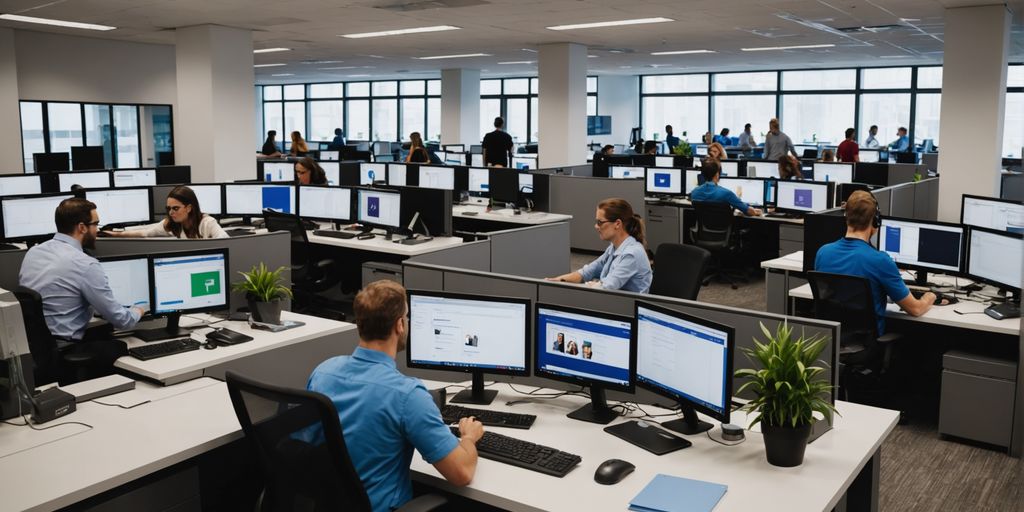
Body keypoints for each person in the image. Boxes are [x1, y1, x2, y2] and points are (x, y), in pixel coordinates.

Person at [306, 281, 483, 511]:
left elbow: (302, 446)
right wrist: (468, 437)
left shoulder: (323, 372)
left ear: (359, 323)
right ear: (400, 324)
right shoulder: (407, 395)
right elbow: (462, 473)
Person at [19, 198, 148, 349]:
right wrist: (139, 310)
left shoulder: (34, 252)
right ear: (82, 227)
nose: (97, 230)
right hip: (64, 346)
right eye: (95, 224)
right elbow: (122, 321)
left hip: (34, 345)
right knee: (122, 348)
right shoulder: (85, 264)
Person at [815, 191, 940, 335]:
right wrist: (930, 296)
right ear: (876, 221)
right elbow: (916, 309)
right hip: (865, 345)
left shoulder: (823, 252)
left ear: (846, 217)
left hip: (831, 340)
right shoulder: (880, 260)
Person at [547, 198, 652, 293]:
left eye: (600, 222)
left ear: (617, 224)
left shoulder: (632, 254)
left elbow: (606, 288)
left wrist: (596, 285)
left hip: (627, 309)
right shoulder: (613, 248)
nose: (596, 226)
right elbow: (586, 273)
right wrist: (558, 280)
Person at [102, 186, 228, 239]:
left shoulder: (207, 223)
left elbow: (226, 242)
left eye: (175, 208)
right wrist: (115, 234)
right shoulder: (172, 225)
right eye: (168, 208)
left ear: (189, 208)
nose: (171, 212)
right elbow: (145, 233)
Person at [691, 158, 762, 217]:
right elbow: (750, 212)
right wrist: (755, 211)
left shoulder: (694, 192)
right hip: (724, 231)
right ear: (717, 174)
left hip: (703, 230)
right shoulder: (726, 194)